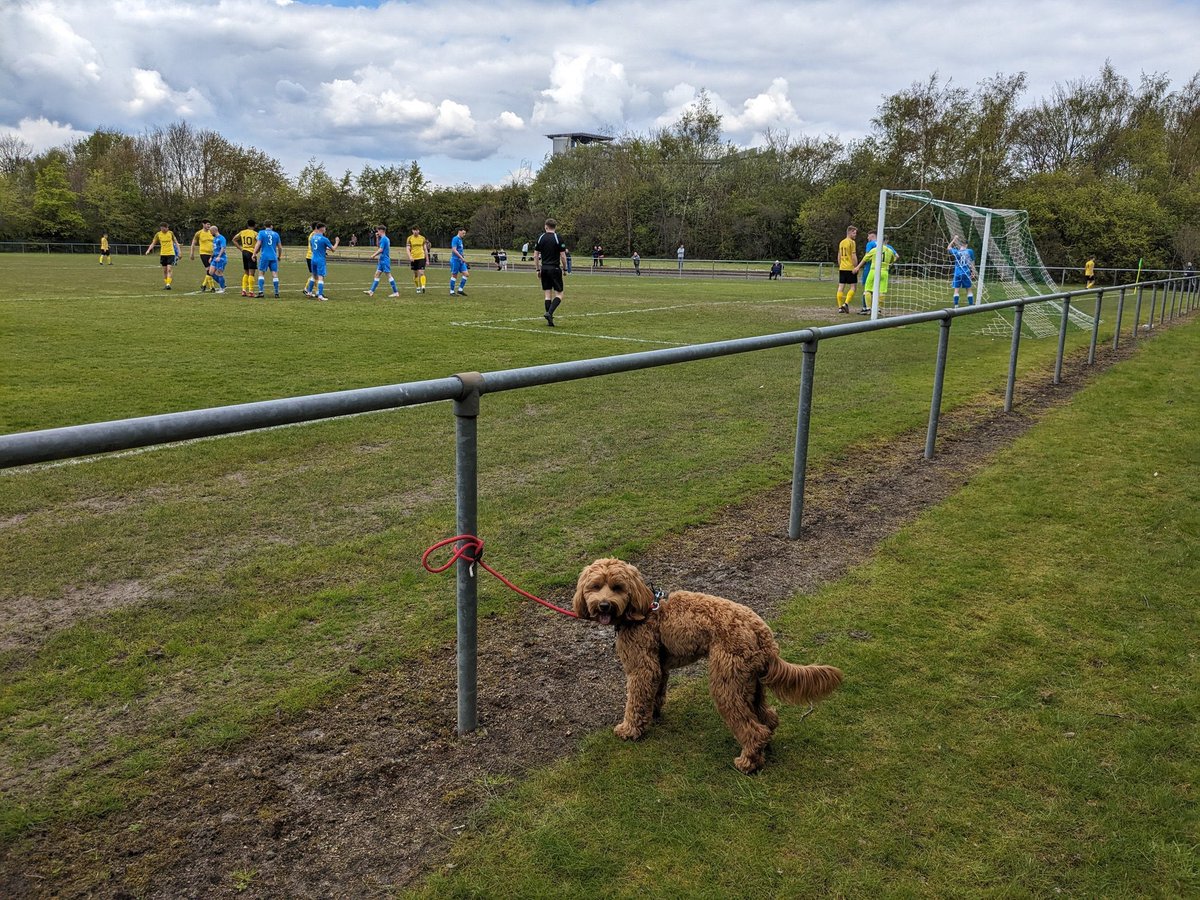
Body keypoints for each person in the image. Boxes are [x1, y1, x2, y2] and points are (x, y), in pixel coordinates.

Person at [853, 236, 899, 313]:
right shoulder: (890, 251)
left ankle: (868, 308)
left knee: (867, 289)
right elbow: (894, 258)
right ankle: (878, 309)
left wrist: (857, 267)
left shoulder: (874, 250)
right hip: (884, 272)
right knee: (882, 291)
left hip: (873, 271)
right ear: (886, 241)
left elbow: (865, 258)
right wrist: (890, 264)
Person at [534, 218, 567, 327]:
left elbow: (535, 255)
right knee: (560, 294)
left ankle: (550, 321)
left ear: (546, 226)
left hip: (545, 268)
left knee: (547, 294)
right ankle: (549, 313)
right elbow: (563, 256)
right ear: (555, 227)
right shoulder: (558, 238)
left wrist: (538, 269)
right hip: (555, 268)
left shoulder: (541, 238)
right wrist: (565, 268)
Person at [304, 222, 339, 300]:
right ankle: (320, 295)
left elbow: (313, 249)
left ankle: (309, 292)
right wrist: (337, 242)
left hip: (313, 258)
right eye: (325, 228)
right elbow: (333, 249)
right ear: (322, 229)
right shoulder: (324, 239)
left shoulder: (312, 237)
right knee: (320, 277)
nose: (325, 229)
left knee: (313, 276)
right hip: (320, 260)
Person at [364, 225, 400, 297]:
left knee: (389, 275)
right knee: (377, 274)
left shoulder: (384, 239)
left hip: (384, 260)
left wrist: (373, 255)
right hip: (382, 260)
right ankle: (371, 291)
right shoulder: (384, 239)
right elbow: (378, 246)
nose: (377, 232)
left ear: (381, 231)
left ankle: (396, 292)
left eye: (378, 231)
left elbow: (381, 249)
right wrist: (377, 238)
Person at [252, 221, 283, 298]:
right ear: (271, 226)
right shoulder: (276, 234)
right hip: (273, 256)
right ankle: (276, 293)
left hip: (264, 256)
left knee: (261, 273)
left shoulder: (261, 233)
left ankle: (261, 292)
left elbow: (258, 243)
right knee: (274, 274)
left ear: (265, 226)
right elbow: (280, 247)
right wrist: (279, 256)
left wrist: (254, 254)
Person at [144, 222, 178, 290]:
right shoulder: (158, 234)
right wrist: (148, 250)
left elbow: (176, 242)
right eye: (161, 228)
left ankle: (168, 284)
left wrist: (179, 252)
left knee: (169, 269)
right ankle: (166, 284)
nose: (162, 230)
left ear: (166, 228)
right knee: (165, 270)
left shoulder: (170, 233)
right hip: (163, 254)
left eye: (164, 228)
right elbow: (153, 243)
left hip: (171, 253)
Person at [948, 237, 976, 306]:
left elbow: (948, 247)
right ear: (966, 244)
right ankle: (971, 305)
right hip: (966, 272)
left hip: (957, 273)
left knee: (956, 290)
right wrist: (973, 272)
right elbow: (972, 262)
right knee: (969, 289)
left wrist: (954, 239)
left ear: (959, 244)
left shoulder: (956, 251)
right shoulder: (970, 251)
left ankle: (956, 305)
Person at [835, 225, 858, 313]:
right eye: (854, 233)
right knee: (853, 287)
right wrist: (856, 266)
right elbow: (853, 255)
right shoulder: (851, 242)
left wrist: (840, 265)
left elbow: (839, 255)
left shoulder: (841, 242)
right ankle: (846, 304)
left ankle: (840, 307)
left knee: (841, 287)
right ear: (850, 232)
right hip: (850, 267)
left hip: (842, 268)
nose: (855, 235)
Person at [233, 219, 258, 296]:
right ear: (254, 225)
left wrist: (241, 249)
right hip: (251, 252)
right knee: (251, 273)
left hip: (244, 252)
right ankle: (251, 291)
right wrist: (256, 252)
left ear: (247, 225)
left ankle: (244, 290)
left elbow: (234, 239)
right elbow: (259, 242)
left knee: (246, 272)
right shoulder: (255, 233)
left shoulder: (242, 232)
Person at [189, 220, 215, 292]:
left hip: (212, 254)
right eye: (207, 224)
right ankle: (211, 287)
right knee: (209, 269)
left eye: (209, 224)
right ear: (203, 224)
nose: (209, 226)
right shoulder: (199, 233)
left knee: (211, 270)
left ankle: (204, 285)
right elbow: (193, 243)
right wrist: (192, 253)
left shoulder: (212, 232)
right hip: (203, 253)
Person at [407, 225, 431, 294]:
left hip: (421, 257)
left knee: (422, 272)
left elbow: (425, 249)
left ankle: (423, 286)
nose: (415, 231)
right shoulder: (409, 238)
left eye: (416, 230)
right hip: (413, 258)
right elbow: (408, 249)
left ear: (418, 231)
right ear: (412, 231)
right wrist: (410, 257)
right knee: (416, 274)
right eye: (414, 230)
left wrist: (427, 260)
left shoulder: (422, 238)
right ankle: (418, 287)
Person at [206, 224, 228, 293]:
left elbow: (223, 248)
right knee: (211, 272)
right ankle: (223, 285)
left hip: (221, 258)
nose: (210, 233)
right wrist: (211, 257)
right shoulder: (214, 239)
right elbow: (214, 249)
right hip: (215, 258)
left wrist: (219, 256)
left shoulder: (222, 238)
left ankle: (222, 288)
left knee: (219, 273)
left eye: (210, 231)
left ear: (214, 231)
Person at [859, 230, 877, 311]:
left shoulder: (870, 244)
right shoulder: (883, 245)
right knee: (876, 288)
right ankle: (876, 307)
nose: (867, 238)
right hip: (879, 269)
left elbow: (867, 256)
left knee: (867, 288)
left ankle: (865, 307)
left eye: (868, 236)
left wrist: (858, 266)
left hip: (870, 268)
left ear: (872, 236)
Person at [449, 227, 469, 295]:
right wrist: (461, 257)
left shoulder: (460, 240)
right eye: (463, 233)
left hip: (460, 260)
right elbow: (454, 250)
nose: (464, 234)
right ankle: (451, 291)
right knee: (454, 275)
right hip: (455, 260)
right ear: (459, 232)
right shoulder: (455, 239)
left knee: (466, 274)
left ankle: (460, 290)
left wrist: (463, 257)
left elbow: (460, 250)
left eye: (465, 233)